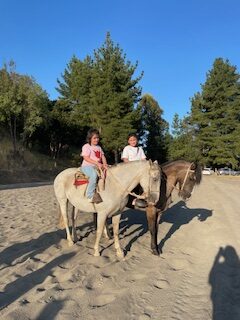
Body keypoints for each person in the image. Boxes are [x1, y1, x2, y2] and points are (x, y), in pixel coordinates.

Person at [81, 128, 108, 203]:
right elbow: (86, 157)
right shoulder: (86, 146)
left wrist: (105, 164)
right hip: (87, 166)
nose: (96, 140)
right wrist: (96, 163)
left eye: (97, 138)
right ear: (90, 138)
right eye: (94, 138)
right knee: (93, 175)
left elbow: (102, 156)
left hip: (97, 166)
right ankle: (90, 195)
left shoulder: (99, 147)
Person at [121, 133, 146, 207]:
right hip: (130, 169)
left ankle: (142, 197)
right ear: (128, 141)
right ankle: (131, 199)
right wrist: (132, 166)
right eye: (131, 140)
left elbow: (143, 159)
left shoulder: (140, 149)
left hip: (140, 169)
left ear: (137, 140)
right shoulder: (127, 148)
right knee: (131, 183)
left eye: (134, 140)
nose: (133, 141)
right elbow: (125, 159)